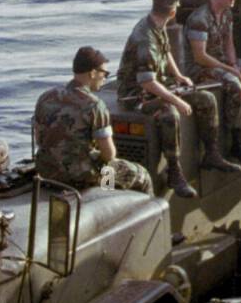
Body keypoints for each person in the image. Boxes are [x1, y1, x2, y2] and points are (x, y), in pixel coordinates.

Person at [118, 0, 233, 200]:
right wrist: (231, 69)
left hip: (166, 78)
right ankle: (174, 171)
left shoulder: (157, 24)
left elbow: (167, 50)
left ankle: (212, 152)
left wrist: (179, 75)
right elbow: (148, 82)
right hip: (137, 94)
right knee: (170, 112)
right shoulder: (149, 35)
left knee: (206, 98)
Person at [33, 47, 153, 195]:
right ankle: (106, 194)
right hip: (79, 176)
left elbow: (39, 139)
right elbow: (109, 155)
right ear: (93, 73)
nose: (105, 78)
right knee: (142, 175)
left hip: (46, 171)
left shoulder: (46, 97)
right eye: (105, 74)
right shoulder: (94, 105)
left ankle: (106, 192)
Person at [185, 0, 241, 163]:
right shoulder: (200, 19)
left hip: (220, 61)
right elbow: (200, 56)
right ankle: (236, 142)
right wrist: (230, 71)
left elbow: (228, 42)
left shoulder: (227, 14)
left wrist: (234, 65)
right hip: (198, 67)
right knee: (234, 85)